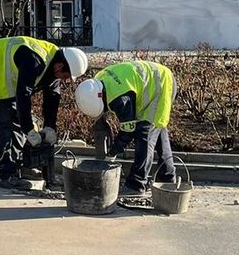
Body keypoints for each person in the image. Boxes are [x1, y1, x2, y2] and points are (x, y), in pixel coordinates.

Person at [0, 36, 89, 191]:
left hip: (8, 72)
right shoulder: (34, 61)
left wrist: (50, 127)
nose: (66, 80)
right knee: (2, 124)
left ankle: (17, 167)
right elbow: (23, 94)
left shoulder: (54, 65)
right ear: (59, 66)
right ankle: (6, 176)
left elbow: (52, 99)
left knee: (18, 124)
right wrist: (29, 128)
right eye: (67, 76)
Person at [75, 60, 177, 207]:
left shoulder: (120, 99)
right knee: (158, 133)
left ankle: (136, 184)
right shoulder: (98, 80)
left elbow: (128, 132)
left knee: (145, 135)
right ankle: (167, 179)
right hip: (156, 79)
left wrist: (112, 153)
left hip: (160, 86)